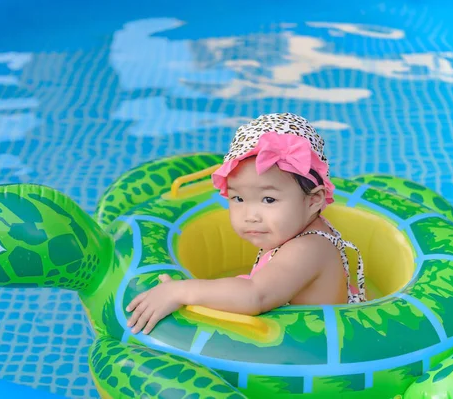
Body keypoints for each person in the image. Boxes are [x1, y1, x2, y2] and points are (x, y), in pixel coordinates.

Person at [126, 113, 366, 335]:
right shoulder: (293, 229)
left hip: (319, 345)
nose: (250, 215)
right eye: (238, 198)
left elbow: (256, 296)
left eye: (268, 199)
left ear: (314, 200)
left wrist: (181, 290)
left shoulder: (308, 249)